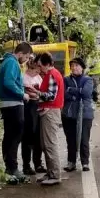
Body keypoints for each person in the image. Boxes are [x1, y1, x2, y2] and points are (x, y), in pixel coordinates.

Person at [0, 42, 33, 181]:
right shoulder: (12, 63)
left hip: (6, 103)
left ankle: (9, 168)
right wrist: (22, 94)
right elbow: (8, 82)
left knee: (9, 136)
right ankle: (13, 168)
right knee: (15, 137)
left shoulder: (4, 62)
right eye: (26, 57)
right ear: (20, 53)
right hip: (14, 104)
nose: (26, 60)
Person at [29, 52, 65, 186]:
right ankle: (51, 172)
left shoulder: (52, 75)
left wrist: (37, 93)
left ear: (47, 64)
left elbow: (50, 96)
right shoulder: (50, 75)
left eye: (40, 66)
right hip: (47, 111)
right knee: (45, 144)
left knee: (50, 144)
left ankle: (55, 174)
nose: (39, 69)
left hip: (50, 112)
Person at [61, 58, 95, 172]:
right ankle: (71, 162)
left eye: (77, 65)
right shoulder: (66, 79)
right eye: (72, 66)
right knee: (70, 139)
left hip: (85, 113)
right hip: (69, 113)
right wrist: (76, 93)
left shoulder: (88, 79)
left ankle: (85, 162)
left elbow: (86, 93)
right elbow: (63, 94)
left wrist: (72, 90)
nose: (74, 68)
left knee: (84, 138)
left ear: (82, 67)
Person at [21, 58, 45, 175]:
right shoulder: (23, 78)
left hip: (38, 106)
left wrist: (37, 94)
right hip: (28, 107)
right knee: (28, 137)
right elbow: (26, 92)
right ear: (30, 68)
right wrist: (35, 94)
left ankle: (38, 163)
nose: (37, 73)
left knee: (38, 137)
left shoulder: (38, 77)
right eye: (36, 71)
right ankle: (26, 165)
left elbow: (40, 91)